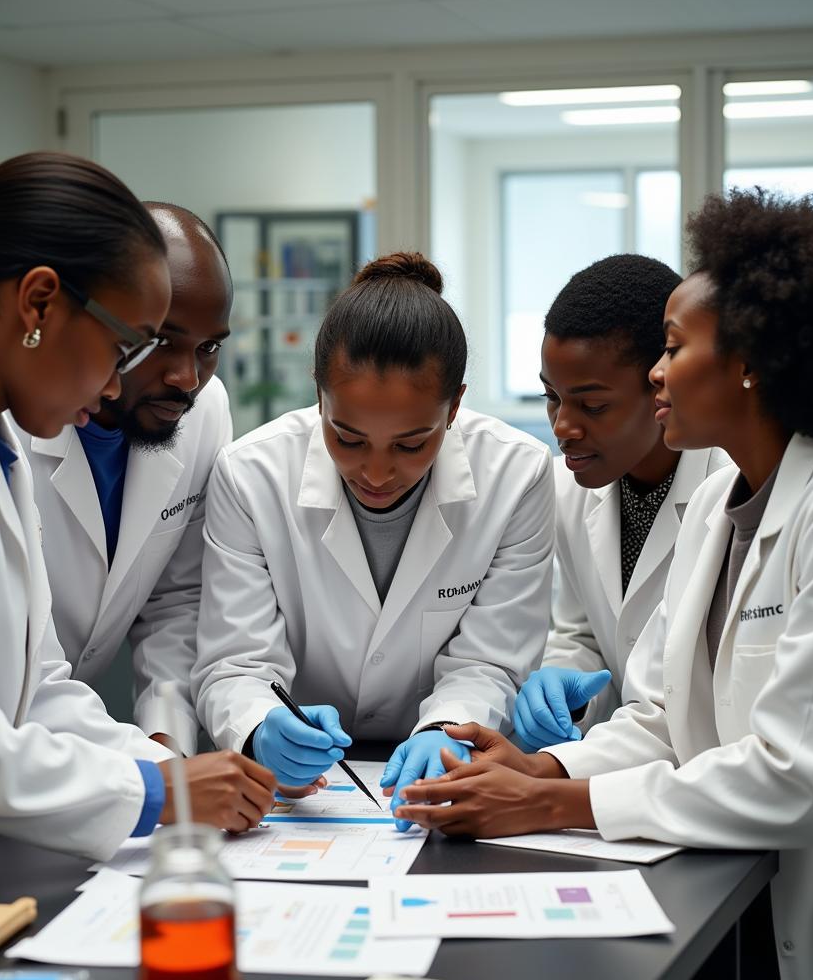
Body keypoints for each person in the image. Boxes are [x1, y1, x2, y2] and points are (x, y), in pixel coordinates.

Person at [396, 189, 813, 980]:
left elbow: (803, 780)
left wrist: (555, 802)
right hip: (725, 900)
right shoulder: (733, 495)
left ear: (751, 361)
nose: (657, 371)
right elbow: (662, 713)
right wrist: (538, 764)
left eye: (673, 346)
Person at [0, 153, 275, 879]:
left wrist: (166, 769)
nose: (119, 381)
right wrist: (155, 791)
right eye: (123, 347)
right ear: (40, 302)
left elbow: (36, 685)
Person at [192, 252, 554, 826]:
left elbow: (491, 659)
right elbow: (237, 662)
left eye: (411, 444)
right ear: (319, 398)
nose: (378, 473)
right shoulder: (251, 474)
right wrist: (261, 728)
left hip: (440, 776)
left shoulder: (517, 475)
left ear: (455, 406)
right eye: (348, 438)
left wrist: (445, 731)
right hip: (304, 796)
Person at [18, 203, 232, 755]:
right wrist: (158, 779)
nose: (188, 378)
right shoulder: (11, 426)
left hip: (62, 763)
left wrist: (167, 740)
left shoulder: (202, 412)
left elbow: (178, 599)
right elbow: (25, 663)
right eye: (161, 341)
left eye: (209, 348)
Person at [515, 254, 729, 749]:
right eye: (552, 397)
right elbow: (585, 634)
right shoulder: (567, 487)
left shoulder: (727, 486)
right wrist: (566, 691)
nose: (562, 427)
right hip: (624, 762)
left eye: (593, 405)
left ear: (661, 385)